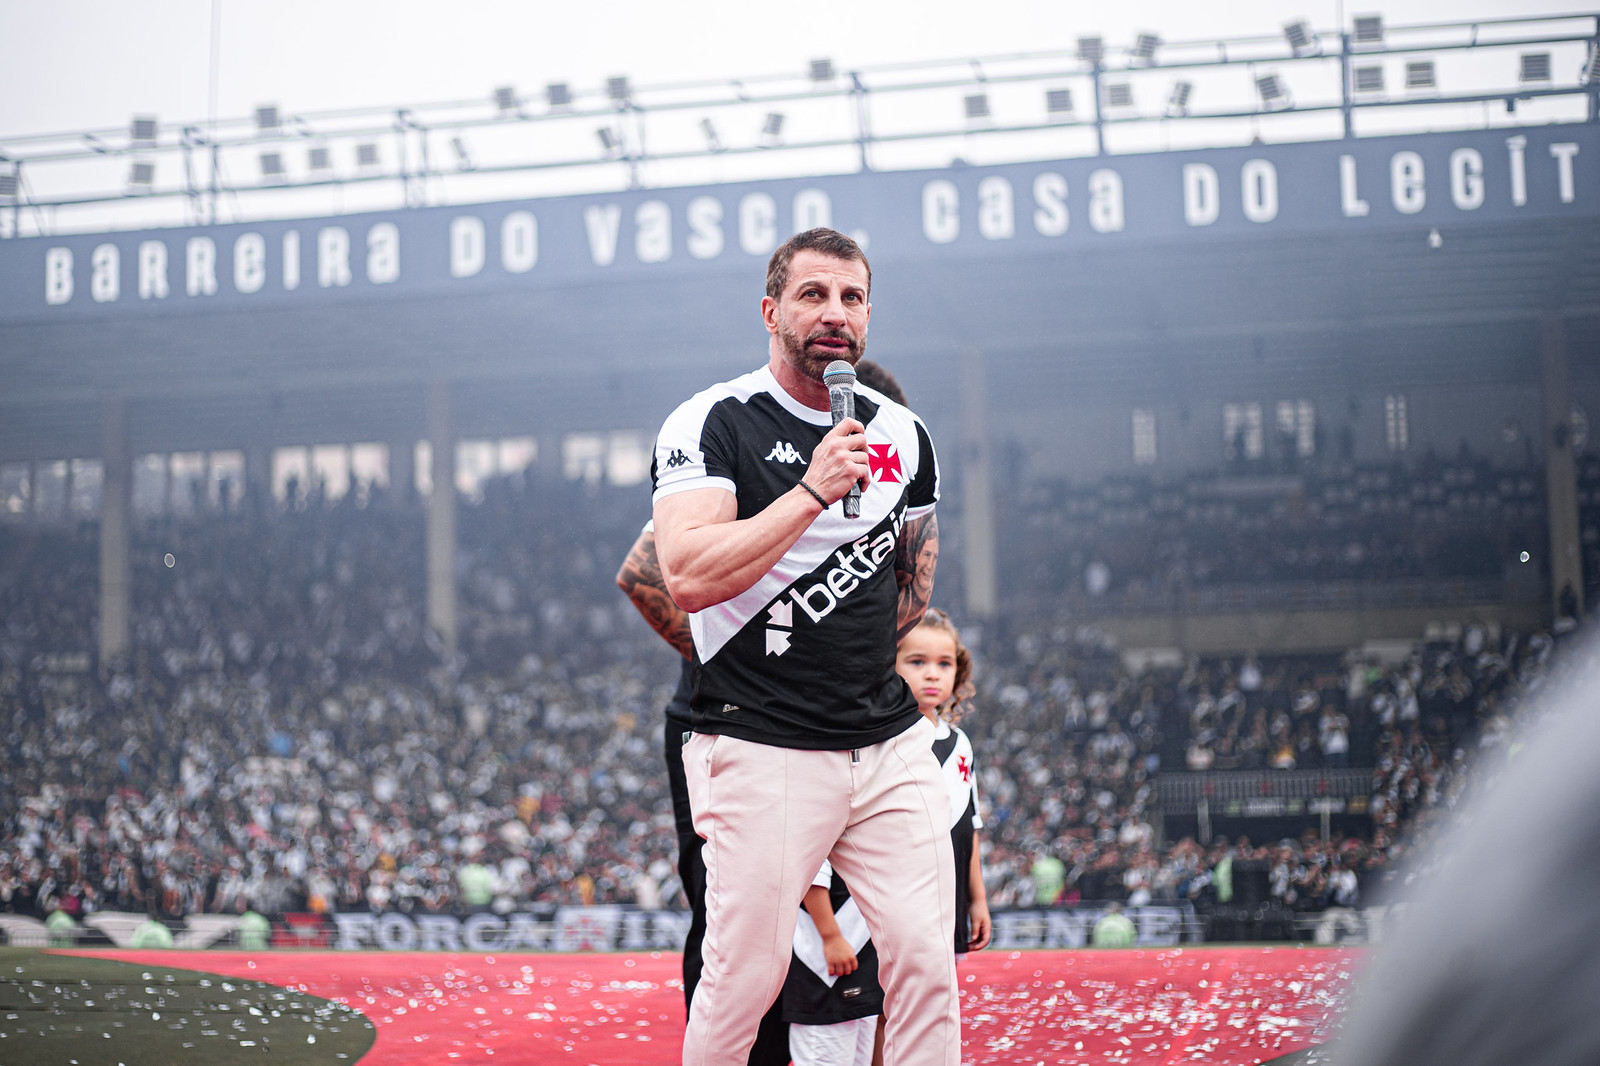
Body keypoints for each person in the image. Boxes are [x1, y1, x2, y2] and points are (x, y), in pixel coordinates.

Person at [651, 227, 956, 1066]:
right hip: (760, 739)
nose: (835, 314)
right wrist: (812, 490)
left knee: (930, 963)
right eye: (814, 295)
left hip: (884, 740)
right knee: (742, 979)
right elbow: (681, 574)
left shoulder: (906, 433)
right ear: (770, 310)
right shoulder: (712, 421)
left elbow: (912, 584)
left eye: (852, 298)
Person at [618, 358, 911, 1066]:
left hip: (837, 728)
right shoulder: (750, 455)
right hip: (721, 718)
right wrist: (740, 656)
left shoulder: (882, 487)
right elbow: (642, 573)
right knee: (734, 924)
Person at [783, 859, 885, 1066]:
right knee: (823, 1051)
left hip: (863, 952)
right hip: (821, 964)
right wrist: (831, 937)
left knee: (860, 1055)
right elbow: (809, 871)